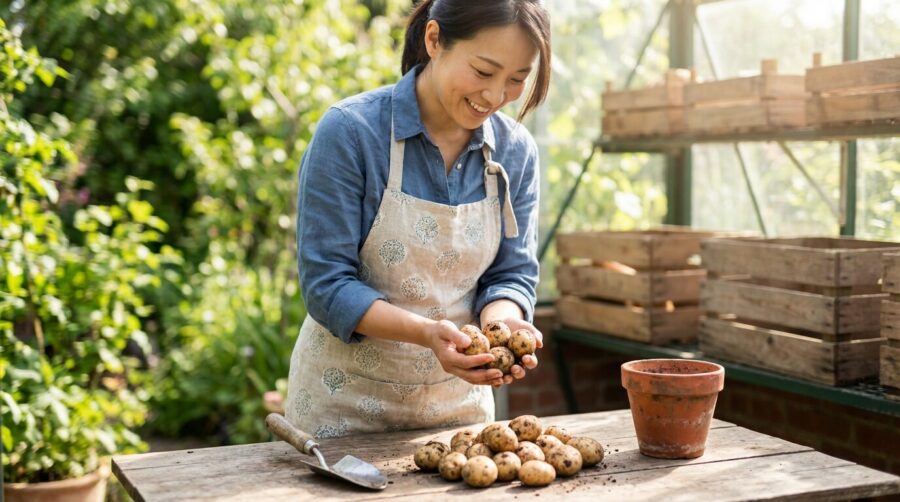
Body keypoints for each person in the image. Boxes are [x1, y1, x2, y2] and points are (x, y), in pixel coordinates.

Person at [285, 0, 552, 438]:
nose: (495, 96)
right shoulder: (351, 132)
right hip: (342, 412)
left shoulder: (515, 151)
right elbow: (327, 284)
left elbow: (512, 273)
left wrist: (503, 322)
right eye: (483, 71)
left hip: (459, 416)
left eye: (517, 79)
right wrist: (428, 334)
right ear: (434, 39)